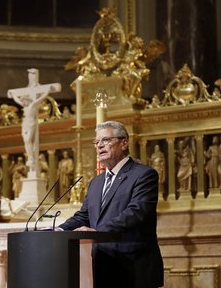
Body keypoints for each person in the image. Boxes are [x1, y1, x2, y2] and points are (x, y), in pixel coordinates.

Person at [58, 121, 163, 288]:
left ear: (124, 143)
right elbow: (84, 216)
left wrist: (98, 232)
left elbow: (136, 212)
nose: (99, 146)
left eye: (106, 140)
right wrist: (59, 231)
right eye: (97, 142)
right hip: (102, 266)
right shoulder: (96, 182)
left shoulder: (144, 175)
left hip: (133, 267)